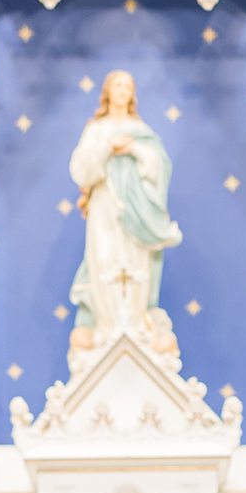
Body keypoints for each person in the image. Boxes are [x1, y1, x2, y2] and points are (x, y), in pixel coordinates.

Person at [67, 67, 182, 363]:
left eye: (127, 86)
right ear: (108, 91)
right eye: (117, 86)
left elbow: (159, 167)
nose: (122, 91)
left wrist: (132, 149)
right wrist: (107, 147)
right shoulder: (97, 129)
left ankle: (135, 325)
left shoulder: (141, 131)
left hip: (137, 210)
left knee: (134, 262)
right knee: (104, 259)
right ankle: (106, 328)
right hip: (105, 206)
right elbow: (81, 169)